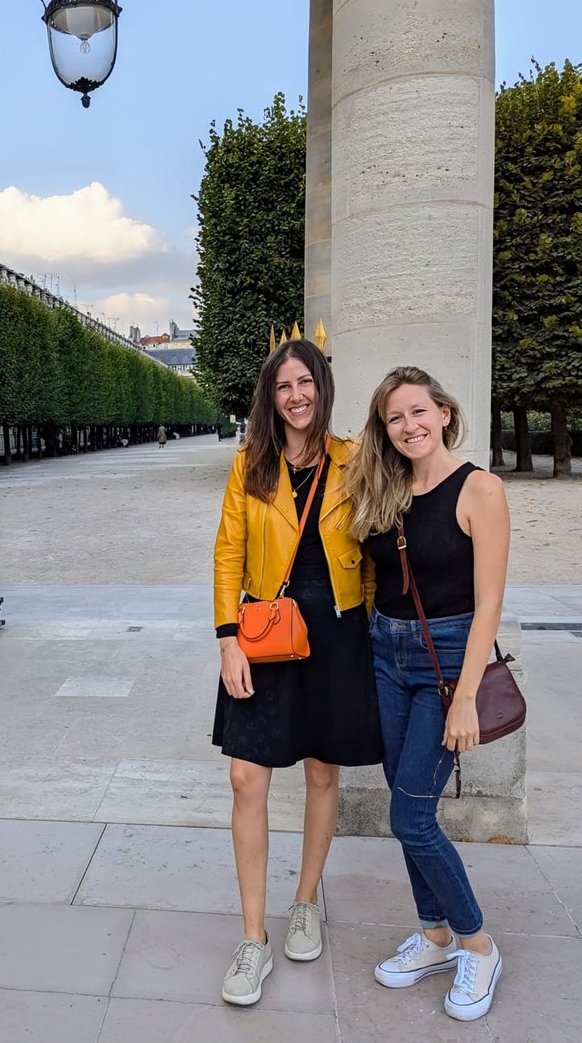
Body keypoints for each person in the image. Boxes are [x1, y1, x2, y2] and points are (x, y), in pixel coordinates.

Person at [212, 339, 383, 1006]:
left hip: (338, 630)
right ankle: (253, 938)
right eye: (283, 385)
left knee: (321, 770)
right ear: (271, 396)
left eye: (304, 381)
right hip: (263, 629)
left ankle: (307, 898)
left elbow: (382, 539)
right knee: (244, 775)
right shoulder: (249, 464)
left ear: (322, 386)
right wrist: (228, 639)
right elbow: (228, 550)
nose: (295, 395)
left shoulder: (354, 460)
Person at [346, 366, 510, 1023]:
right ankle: (435, 933)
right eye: (394, 417)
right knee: (404, 799)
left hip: (446, 661)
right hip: (385, 653)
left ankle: (477, 941)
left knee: (411, 814)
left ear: (444, 411)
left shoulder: (480, 489)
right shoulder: (383, 488)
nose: (409, 425)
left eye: (419, 411)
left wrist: (466, 695)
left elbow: (490, 600)